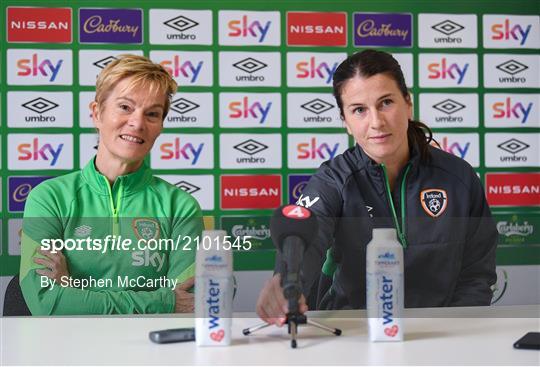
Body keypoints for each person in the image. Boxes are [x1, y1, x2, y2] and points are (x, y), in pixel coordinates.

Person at [257, 50, 497, 325]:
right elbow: (307, 239)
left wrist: (452, 329)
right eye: (359, 110)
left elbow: (477, 273)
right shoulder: (334, 179)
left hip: (441, 334)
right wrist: (286, 283)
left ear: (408, 104)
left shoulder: (458, 177)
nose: (376, 122)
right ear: (346, 121)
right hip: (354, 334)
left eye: (385, 103)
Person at [19, 55, 203, 315]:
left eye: (152, 114)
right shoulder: (49, 199)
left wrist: (73, 290)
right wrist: (164, 300)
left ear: (161, 126)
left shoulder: (181, 207)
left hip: (155, 351)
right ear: (97, 113)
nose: (137, 123)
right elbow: (46, 303)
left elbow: (190, 301)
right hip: (68, 350)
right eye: (125, 107)